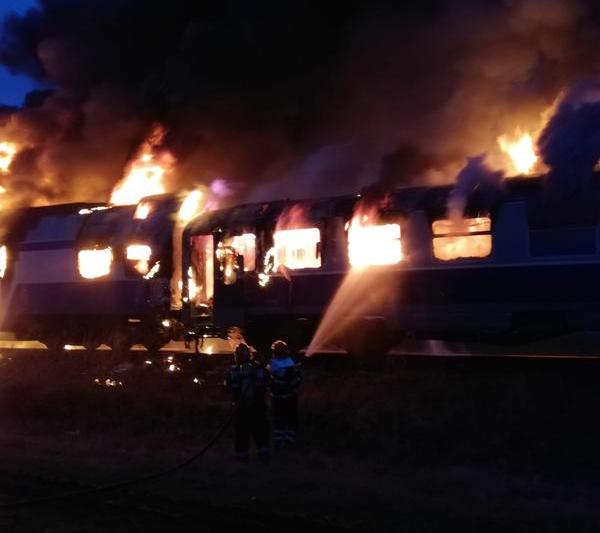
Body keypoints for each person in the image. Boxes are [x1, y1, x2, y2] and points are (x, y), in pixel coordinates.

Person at [224, 342, 270, 462]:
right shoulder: (258, 368)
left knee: (245, 433)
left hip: (245, 408)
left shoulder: (233, 370)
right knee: (257, 432)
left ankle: (244, 456)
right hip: (252, 407)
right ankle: (259, 455)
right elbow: (267, 382)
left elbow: (227, 388)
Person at [267, 340, 301, 449]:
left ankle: (281, 442)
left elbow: (268, 381)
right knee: (288, 420)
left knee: (279, 421)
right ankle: (287, 442)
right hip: (288, 397)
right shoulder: (290, 362)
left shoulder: (273, 364)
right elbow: (297, 380)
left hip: (278, 398)